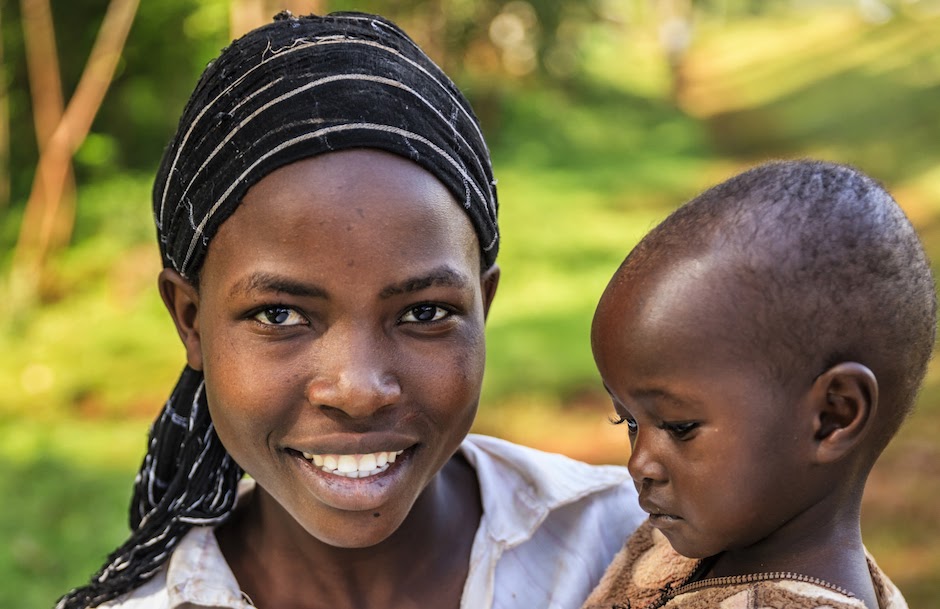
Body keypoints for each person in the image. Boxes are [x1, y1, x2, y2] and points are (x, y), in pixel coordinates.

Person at [55, 11, 646, 609]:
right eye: (280, 314)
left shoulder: (635, 549)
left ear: (482, 306)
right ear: (190, 319)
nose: (359, 391)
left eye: (424, 313)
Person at [582, 160, 931, 609]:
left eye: (679, 426)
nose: (639, 463)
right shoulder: (703, 543)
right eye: (628, 421)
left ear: (832, 417)